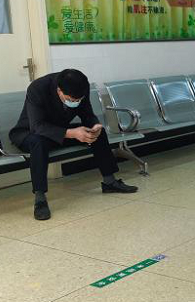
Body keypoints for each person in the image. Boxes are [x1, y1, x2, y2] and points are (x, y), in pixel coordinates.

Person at [9, 69, 138, 220]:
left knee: (99, 133)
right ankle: (40, 198)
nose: (75, 103)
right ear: (59, 90)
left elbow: (87, 114)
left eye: (79, 100)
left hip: (60, 131)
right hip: (29, 133)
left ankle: (110, 182)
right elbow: (37, 127)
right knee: (38, 142)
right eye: (71, 99)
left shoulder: (81, 86)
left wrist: (95, 125)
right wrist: (72, 133)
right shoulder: (38, 88)